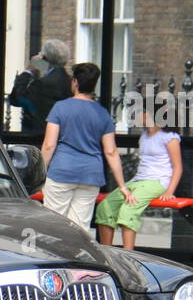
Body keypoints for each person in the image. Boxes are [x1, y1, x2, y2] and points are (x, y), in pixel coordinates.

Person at [40, 61, 132, 231]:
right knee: (80, 228)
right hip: (90, 175)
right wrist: (122, 186)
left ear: (75, 82)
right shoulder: (102, 113)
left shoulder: (60, 108)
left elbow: (48, 145)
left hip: (62, 171)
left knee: (53, 225)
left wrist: (39, 173)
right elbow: (111, 152)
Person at [95, 112, 182, 249]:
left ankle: (128, 256)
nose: (139, 115)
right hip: (138, 180)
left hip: (157, 181)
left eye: (144, 112)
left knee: (129, 209)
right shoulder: (144, 136)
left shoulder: (169, 137)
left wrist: (169, 191)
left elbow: (177, 167)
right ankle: (107, 253)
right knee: (105, 207)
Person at [9, 38, 72, 134]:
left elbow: (16, 99)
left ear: (44, 58)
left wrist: (29, 70)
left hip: (38, 136)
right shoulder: (70, 81)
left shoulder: (41, 84)